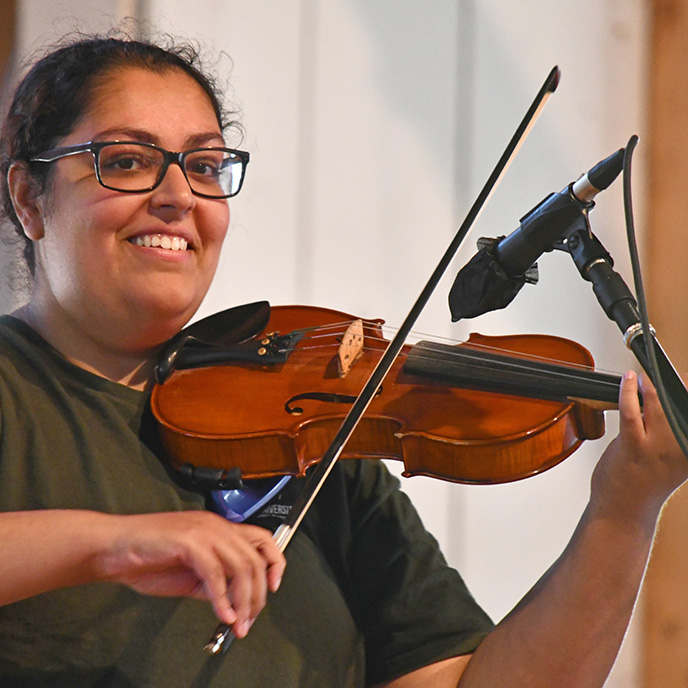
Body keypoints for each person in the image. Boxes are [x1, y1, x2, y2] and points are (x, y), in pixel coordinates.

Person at [0, 30, 685, 688]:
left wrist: (623, 510)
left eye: (205, 166)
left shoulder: (315, 432)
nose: (179, 195)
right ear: (31, 197)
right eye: (126, 161)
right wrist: (111, 544)